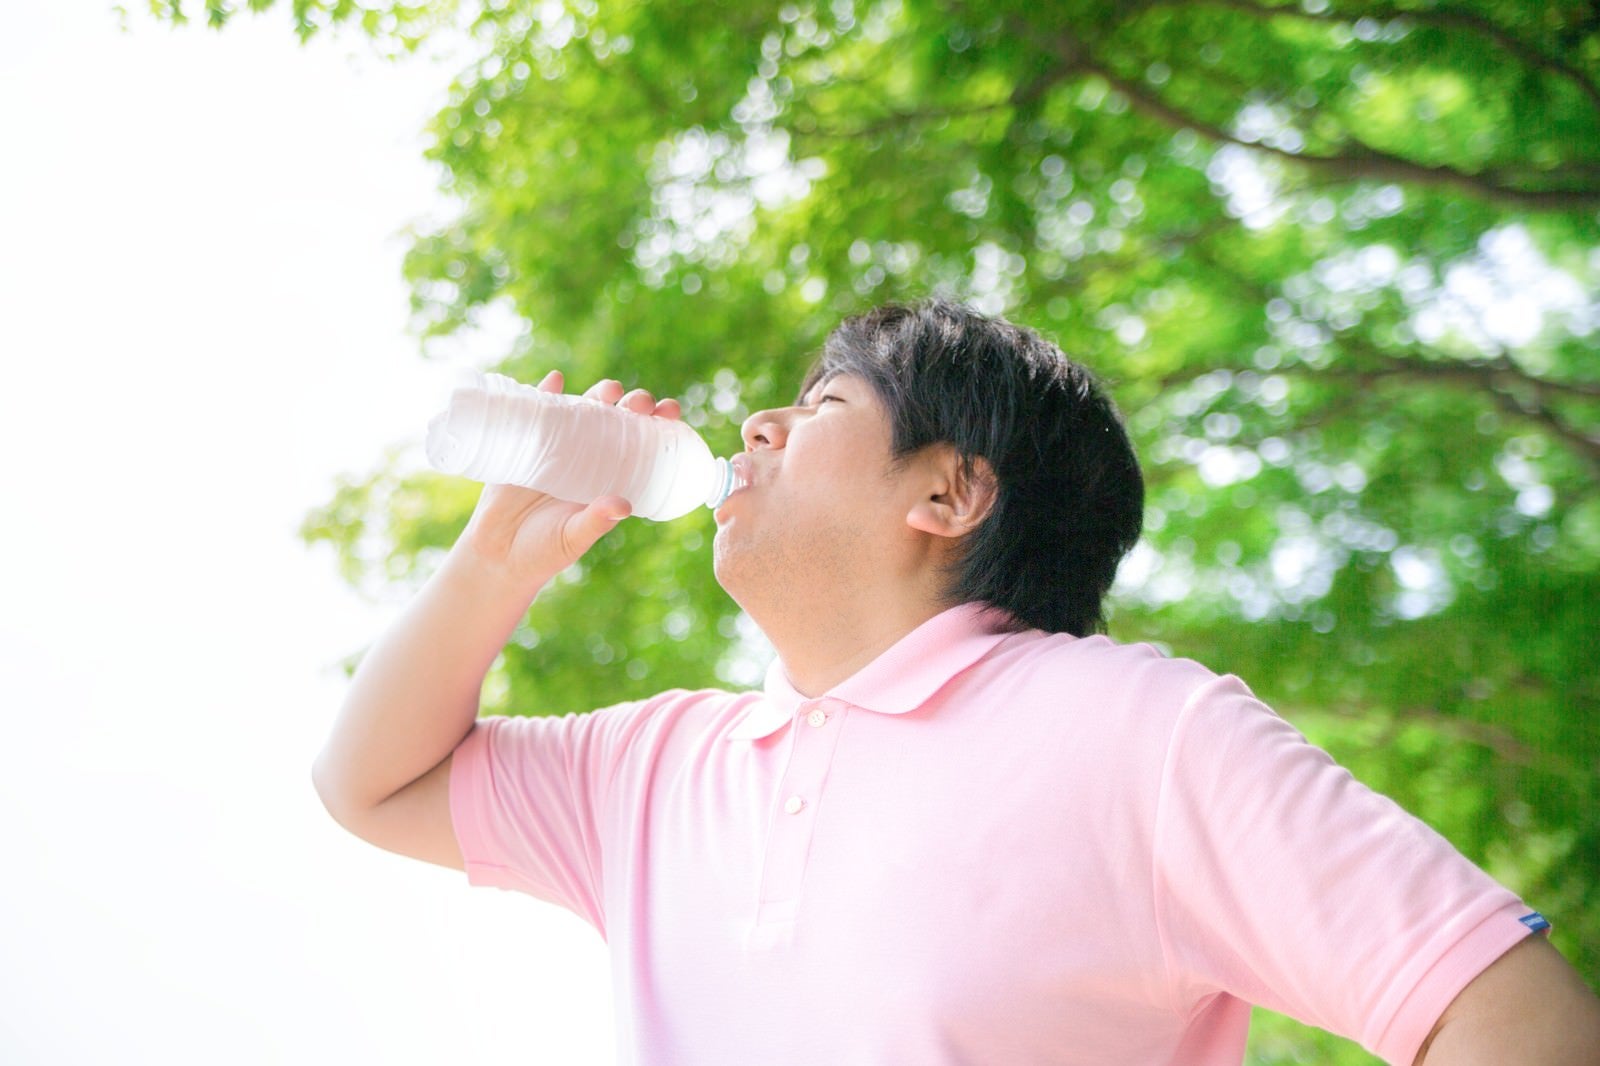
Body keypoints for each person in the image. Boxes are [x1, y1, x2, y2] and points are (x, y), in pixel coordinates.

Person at [313, 300, 1600, 1065]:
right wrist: (495, 560)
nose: (756, 424)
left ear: (947, 490)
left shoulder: (1137, 732)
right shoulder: (659, 767)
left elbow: (1506, 1009)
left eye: (816, 402)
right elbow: (372, 785)